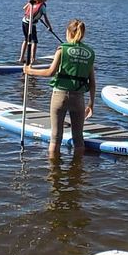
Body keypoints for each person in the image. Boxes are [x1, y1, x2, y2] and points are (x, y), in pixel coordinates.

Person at [23, 19, 96, 159]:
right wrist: (91, 103)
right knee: (78, 139)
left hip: (59, 96)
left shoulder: (62, 49)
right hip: (78, 99)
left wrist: (29, 70)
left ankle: (53, 174)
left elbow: (50, 72)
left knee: (55, 137)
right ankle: (78, 171)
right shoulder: (90, 53)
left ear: (68, 32)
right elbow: (92, 82)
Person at [20, 0, 56, 65]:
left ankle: (21, 58)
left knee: (26, 39)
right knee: (35, 41)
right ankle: (33, 59)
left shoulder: (32, 1)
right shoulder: (42, 6)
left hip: (24, 22)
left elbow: (24, 8)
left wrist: (30, 3)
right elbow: (46, 18)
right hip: (31, 25)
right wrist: (49, 27)